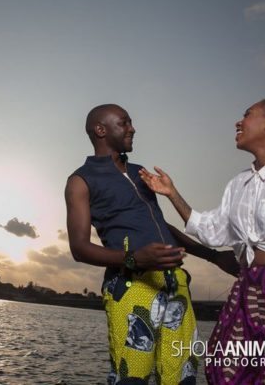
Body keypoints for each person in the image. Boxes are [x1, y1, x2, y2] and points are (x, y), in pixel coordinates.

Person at [139, 92, 265, 384]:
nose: (238, 122)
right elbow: (210, 229)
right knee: (227, 373)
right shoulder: (238, 183)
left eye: (247, 114)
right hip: (249, 292)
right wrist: (172, 194)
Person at [65, 104, 239, 385]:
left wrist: (213, 257)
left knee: (183, 378)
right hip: (132, 287)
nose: (132, 128)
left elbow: (163, 226)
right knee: (132, 378)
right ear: (101, 130)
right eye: (124, 123)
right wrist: (133, 259)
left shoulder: (140, 173)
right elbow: (79, 247)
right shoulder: (81, 180)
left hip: (176, 286)